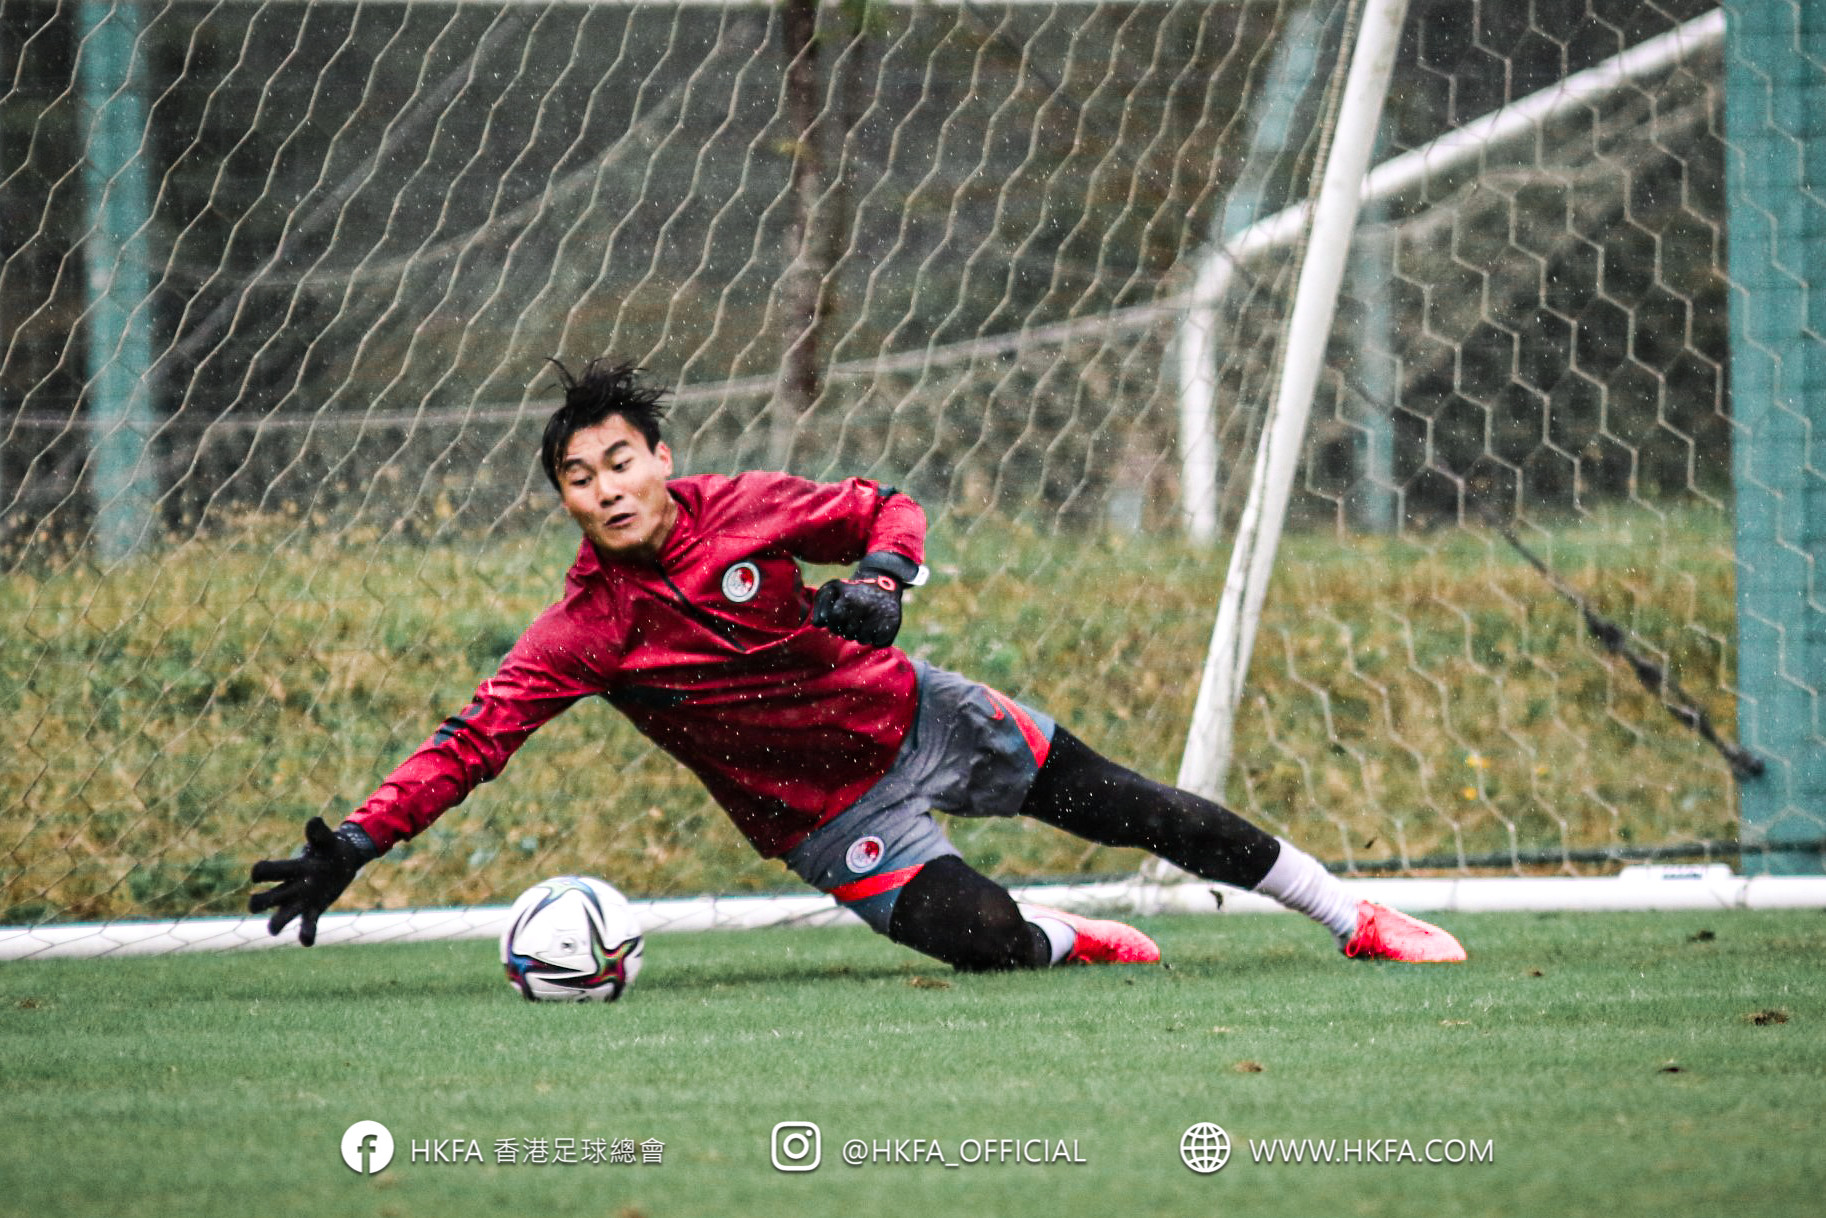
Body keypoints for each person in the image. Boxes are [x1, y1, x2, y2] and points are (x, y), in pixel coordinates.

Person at [249, 359, 1466, 969]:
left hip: (921, 716)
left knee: (1141, 811)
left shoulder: (748, 508)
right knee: (983, 939)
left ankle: (1350, 916)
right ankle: (1057, 934)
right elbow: (474, 742)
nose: (605, 488)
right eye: (578, 478)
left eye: (619, 461)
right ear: (564, 500)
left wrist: (884, 578)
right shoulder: (584, 630)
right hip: (826, 819)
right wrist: (356, 840)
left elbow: (887, 504)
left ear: (660, 457)